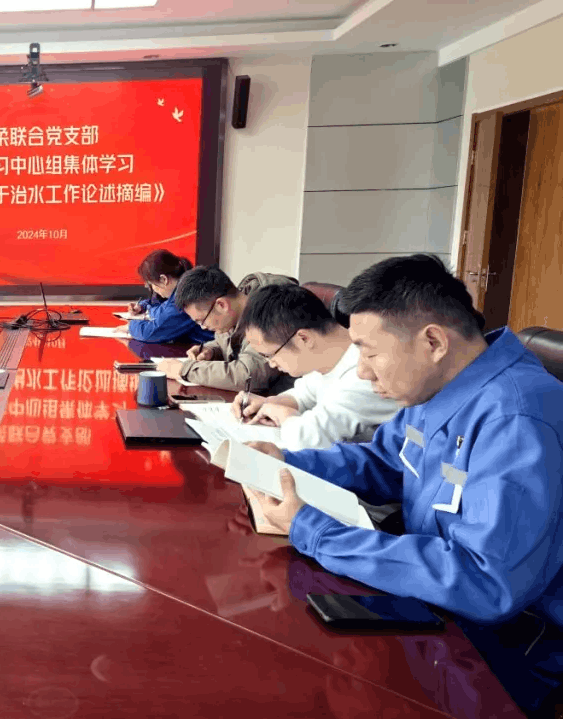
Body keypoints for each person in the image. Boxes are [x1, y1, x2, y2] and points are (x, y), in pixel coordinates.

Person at [236, 255, 563, 717]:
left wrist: (316, 531)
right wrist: (289, 464)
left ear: (433, 341)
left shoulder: (515, 420)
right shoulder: (439, 387)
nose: (362, 372)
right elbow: (385, 461)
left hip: (504, 651)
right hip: (435, 602)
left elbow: (486, 582)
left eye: (370, 353)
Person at [230, 284, 398, 450]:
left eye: (269, 355)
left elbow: (307, 439)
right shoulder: (329, 357)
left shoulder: (365, 373)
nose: (271, 363)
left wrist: (286, 416)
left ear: (303, 338)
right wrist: (267, 403)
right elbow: (304, 394)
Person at [156, 265, 297, 391]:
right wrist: (211, 350)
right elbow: (229, 341)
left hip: (286, 403)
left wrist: (185, 370)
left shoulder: (271, 312)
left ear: (221, 305)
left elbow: (248, 376)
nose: (203, 327)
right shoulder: (236, 310)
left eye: (202, 321)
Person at [116, 250, 213, 345]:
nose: (153, 289)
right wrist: (142, 307)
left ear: (163, 279)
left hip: (210, 348)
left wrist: (130, 326)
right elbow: (160, 308)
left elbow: (149, 333)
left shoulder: (185, 299)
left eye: (152, 284)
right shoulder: (183, 288)